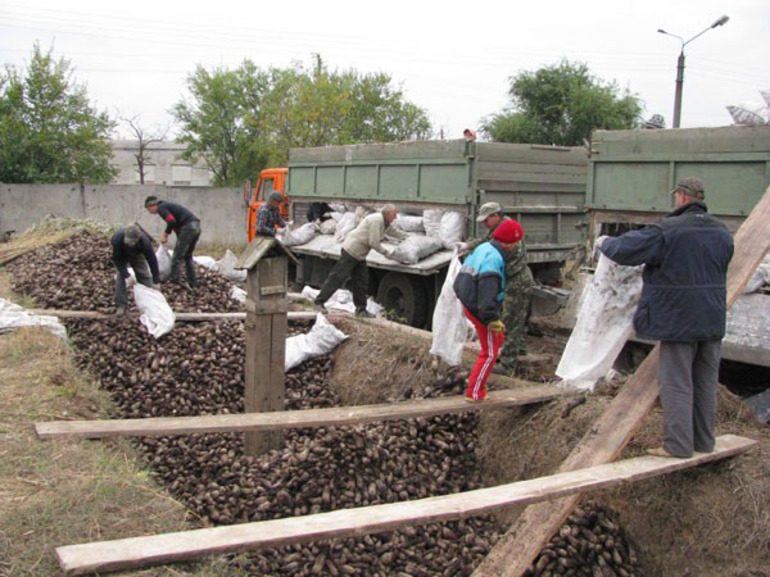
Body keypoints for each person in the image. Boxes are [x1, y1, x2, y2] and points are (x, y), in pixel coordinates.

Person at [599, 176, 734, 458]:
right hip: (712, 318)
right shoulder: (722, 232)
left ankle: (678, 446)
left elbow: (625, 250)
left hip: (679, 320)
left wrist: (604, 242)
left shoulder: (668, 230)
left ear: (683, 197)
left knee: (676, 382)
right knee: (705, 383)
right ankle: (704, 442)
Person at [453, 219, 524, 402]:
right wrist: (492, 319)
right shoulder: (494, 259)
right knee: (490, 352)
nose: (517, 246)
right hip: (482, 310)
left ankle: (478, 385)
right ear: (508, 242)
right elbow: (487, 292)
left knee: (495, 342)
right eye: (516, 242)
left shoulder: (483, 248)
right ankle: (475, 392)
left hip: (470, 303)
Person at [461, 202, 534, 375]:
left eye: (486, 220)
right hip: (513, 281)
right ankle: (519, 349)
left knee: (511, 321)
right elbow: (487, 242)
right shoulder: (499, 229)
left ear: (496, 216)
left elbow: (510, 265)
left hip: (517, 282)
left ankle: (508, 365)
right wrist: (469, 246)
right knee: (513, 318)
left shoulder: (510, 232)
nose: (484, 224)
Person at [314, 204, 408, 317]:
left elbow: (394, 232)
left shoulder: (385, 222)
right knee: (337, 277)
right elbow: (373, 242)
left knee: (361, 282)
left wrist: (408, 237)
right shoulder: (376, 220)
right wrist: (387, 253)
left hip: (360, 255)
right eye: (394, 214)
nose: (396, 217)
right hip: (351, 251)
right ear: (387, 214)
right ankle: (319, 302)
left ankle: (361, 310)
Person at [144, 196, 201, 288]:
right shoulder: (167, 206)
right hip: (196, 227)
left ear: (151, 206)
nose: (149, 212)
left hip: (188, 227)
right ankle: (193, 283)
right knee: (187, 256)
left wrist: (165, 234)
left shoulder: (161, 208)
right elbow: (177, 225)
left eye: (148, 209)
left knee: (176, 257)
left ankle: (174, 282)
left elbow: (171, 221)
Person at [111, 224, 161, 315]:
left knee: (144, 275)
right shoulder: (117, 239)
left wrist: (156, 280)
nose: (129, 243)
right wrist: (127, 275)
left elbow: (152, 260)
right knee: (120, 277)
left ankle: (151, 303)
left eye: (132, 242)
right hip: (121, 255)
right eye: (128, 241)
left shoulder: (145, 242)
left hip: (138, 254)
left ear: (138, 238)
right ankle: (121, 305)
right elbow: (116, 259)